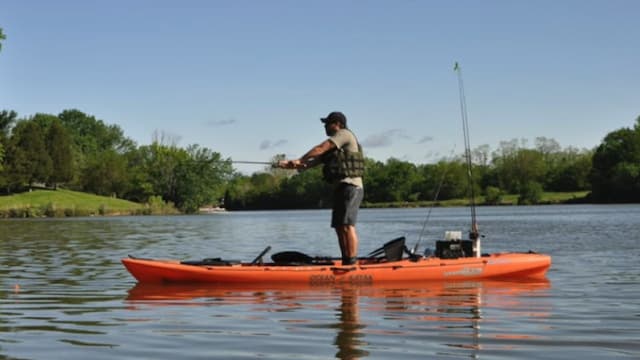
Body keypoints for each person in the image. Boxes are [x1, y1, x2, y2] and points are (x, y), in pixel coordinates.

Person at [278, 111, 365, 265]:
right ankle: (346, 261)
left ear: (337, 124)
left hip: (352, 186)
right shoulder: (334, 149)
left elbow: (320, 148)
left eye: (327, 123)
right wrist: (291, 165)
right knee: (339, 226)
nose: (325, 126)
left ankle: (351, 262)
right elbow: (309, 164)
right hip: (341, 187)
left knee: (347, 225)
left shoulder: (344, 134)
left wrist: (299, 158)